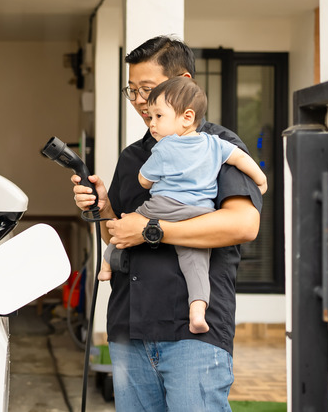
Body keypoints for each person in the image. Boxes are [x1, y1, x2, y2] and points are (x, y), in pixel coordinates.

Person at [71, 35, 262, 411]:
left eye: (148, 89)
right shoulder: (134, 156)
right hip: (129, 329)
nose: (140, 102)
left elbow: (243, 225)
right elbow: (120, 231)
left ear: (184, 84)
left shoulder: (218, 146)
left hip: (192, 333)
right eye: (132, 91)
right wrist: (105, 208)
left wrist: (153, 230)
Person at [98, 76, 267, 336]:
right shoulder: (215, 144)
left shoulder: (164, 148)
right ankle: (197, 311)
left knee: (128, 222)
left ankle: (106, 265)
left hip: (164, 206)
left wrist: (148, 227)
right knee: (196, 261)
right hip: (199, 212)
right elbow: (242, 159)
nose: (149, 118)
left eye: (148, 91)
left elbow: (144, 181)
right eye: (132, 91)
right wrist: (261, 180)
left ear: (186, 116)